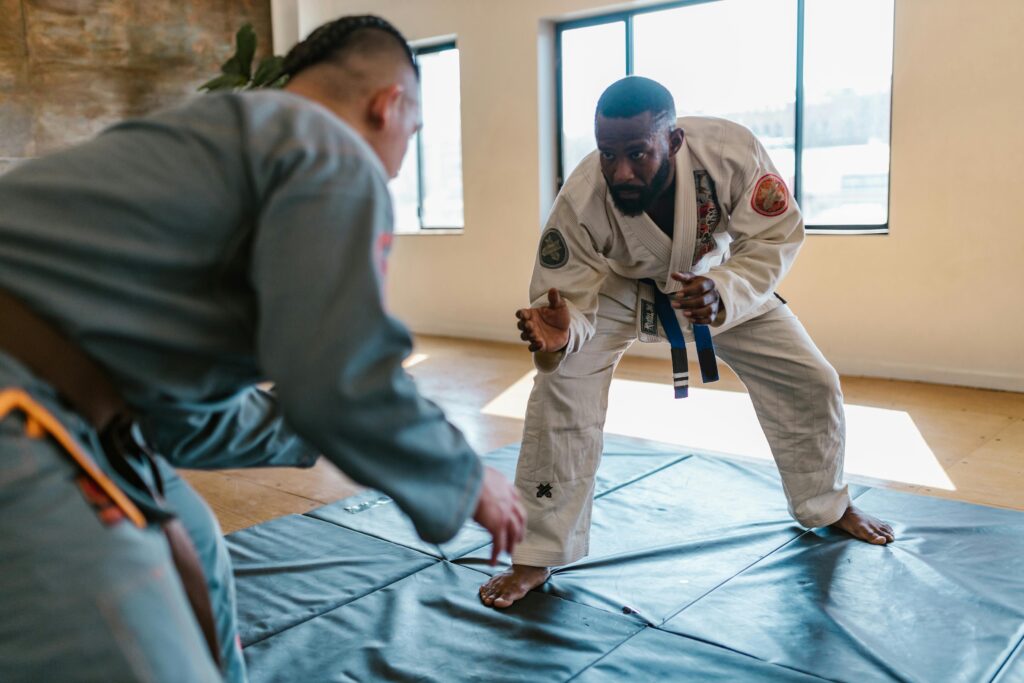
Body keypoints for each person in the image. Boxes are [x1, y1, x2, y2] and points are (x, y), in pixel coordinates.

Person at [0, 14, 523, 682]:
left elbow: (183, 422)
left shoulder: (222, 135)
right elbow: (343, 375)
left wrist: (315, 429)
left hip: (77, 407)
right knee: (145, 647)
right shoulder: (333, 152)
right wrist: (467, 475)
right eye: (413, 134)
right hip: (21, 406)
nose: (398, 164)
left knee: (193, 540)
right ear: (389, 104)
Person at [479, 76, 893, 610]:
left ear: (673, 141)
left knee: (810, 379)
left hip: (714, 283)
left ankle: (828, 505)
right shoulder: (581, 198)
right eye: (608, 154)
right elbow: (570, 300)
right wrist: (564, 334)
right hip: (620, 292)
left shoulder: (732, 153)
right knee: (560, 384)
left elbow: (774, 235)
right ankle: (534, 553)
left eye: (637, 153)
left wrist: (727, 291)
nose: (621, 171)